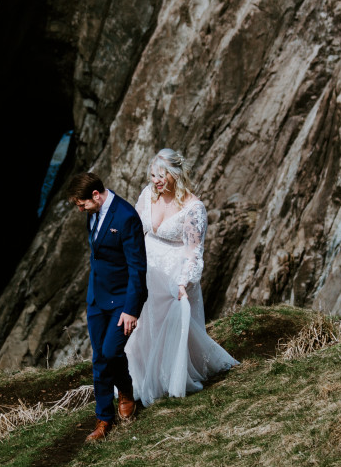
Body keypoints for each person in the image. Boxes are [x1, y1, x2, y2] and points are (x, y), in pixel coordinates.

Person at [125, 148, 237, 405]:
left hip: (174, 274)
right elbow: (133, 228)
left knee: (168, 329)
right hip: (146, 270)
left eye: (161, 175)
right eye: (153, 175)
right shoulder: (148, 195)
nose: (156, 180)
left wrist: (183, 282)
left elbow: (193, 252)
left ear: (176, 173)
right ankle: (138, 377)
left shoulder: (193, 208)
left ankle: (166, 377)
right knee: (143, 327)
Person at [67, 171, 147, 441]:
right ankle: (104, 419)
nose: (80, 209)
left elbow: (138, 268)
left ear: (96, 195)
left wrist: (132, 309)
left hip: (122, 301)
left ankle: (125, 391)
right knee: (99, 358)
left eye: (82, 204)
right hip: (96, 298)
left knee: (112, 352)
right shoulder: (93, 213)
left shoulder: (126, 217)